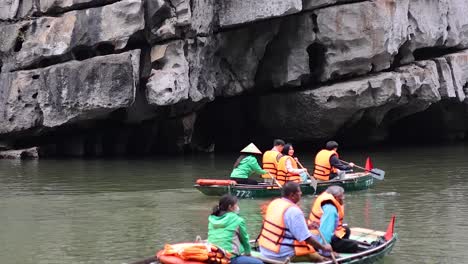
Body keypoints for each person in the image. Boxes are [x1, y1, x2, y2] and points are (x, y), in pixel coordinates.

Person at [258, 182, 332, 262]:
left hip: (265, 249)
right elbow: (306, 238)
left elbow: (283, 226)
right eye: (299, 192)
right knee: (317, 256)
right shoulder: (294, 211)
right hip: (280, 254)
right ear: (292, 195)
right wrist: (324, 247)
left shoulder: (274, 203)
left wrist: (308, 226)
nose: (301, 193)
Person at [308, 186, 366, 253]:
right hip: (318, 239)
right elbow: (325, 232)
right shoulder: (330, 209)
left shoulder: (326, 198)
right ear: (336, 197)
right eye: (341, 197)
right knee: (354, 245)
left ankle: (340, 244)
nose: (343, 199)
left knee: (346, 230)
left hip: (314, 234)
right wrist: (324, 250)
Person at [208, 195, 263, 264]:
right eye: (236, 205)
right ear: (230, 207)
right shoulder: (237, 220)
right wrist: (248, 253)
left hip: (213, 256)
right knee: (259, 263)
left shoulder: (212, 219)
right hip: (229, 258)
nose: (237, 207)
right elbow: (245, 239)